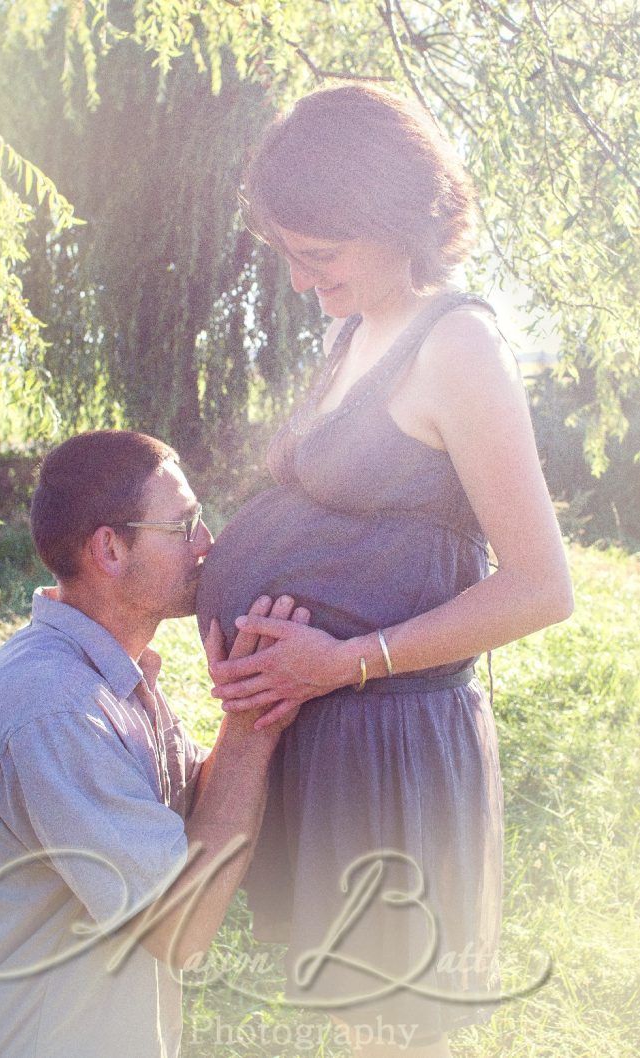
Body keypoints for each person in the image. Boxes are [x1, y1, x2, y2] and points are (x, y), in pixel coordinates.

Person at [195, 84, 574, 1057]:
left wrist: (345, 658)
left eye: (317, 256)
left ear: (390, 216)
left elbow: (542, 586)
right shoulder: (348, 331)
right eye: (287, 254)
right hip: (331, 741)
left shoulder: (459, 345)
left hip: (396, 747)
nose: (300, 281)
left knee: (395, 1038)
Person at [0, 429, 307, 1058]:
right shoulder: (53, 708)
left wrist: (262, 688)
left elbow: (199, 819)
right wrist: (252, 721)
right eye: (184, 525)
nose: (206, 544)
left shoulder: (107, 678)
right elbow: (179, 925)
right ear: (109, 548)